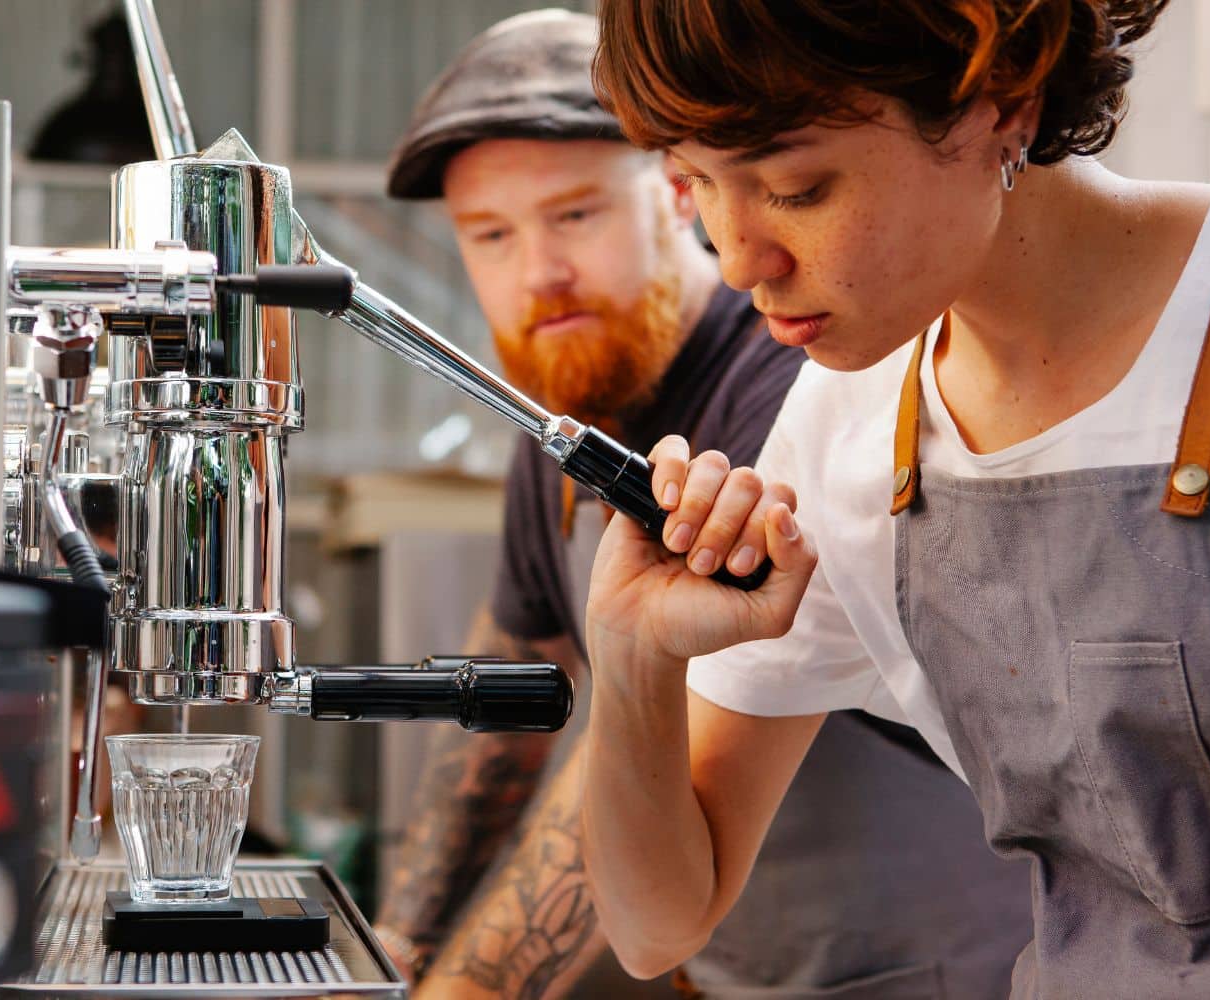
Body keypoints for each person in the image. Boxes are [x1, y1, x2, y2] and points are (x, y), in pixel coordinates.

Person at [577, 1, 1210, 997]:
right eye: (695, 183)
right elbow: (657, 922)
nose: (740, 258)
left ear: (1001, 98)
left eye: (796, 187)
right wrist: (631, 661)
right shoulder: (853, 416)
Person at [371, 10, 1032, 999]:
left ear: (677, 193)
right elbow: (502, 718)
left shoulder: (797, 378)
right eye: (491, 236)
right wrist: (391, 949)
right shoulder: (568, 407)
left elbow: (626, 744)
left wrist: (458, 993)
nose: (537, 271)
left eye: (575, 215)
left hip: (921, 972)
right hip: (730, 965)